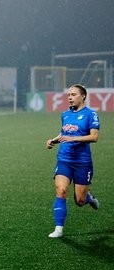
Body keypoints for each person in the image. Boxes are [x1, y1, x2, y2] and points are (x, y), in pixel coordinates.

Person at [45, 84, 100, 238]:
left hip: (82, 162)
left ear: (83, 96)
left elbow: (94, 137)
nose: (69, 97)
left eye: (73, 94)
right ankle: (58, 229)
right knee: (61, 191)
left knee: (80, 201)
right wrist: (53, 140)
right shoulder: (65, 114)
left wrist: (73, 138)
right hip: (64, 159)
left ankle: (89, 197)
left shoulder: (91, 114)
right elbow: (64, 132)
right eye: (68, 95)